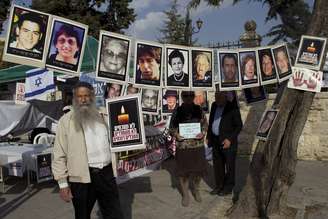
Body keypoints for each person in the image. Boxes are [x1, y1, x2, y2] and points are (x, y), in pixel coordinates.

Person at [52, 81, 123, 219]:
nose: (83, 99)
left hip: (106, 174)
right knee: (82, 215)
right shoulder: (66, 122)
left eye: (86, 95)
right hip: (81, 179)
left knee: (115, 214)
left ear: (92, 97)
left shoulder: (105, 115)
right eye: (79, 96)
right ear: (75, 98)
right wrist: (62, 184)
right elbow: (59, 154)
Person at [169, 91, 208, 207]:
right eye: (185, 96)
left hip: (197, 146)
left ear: (193, 97)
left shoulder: (199, 109)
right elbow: (171, 128)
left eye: (191, 95)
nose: (188, 98)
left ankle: (196, 189)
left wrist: (203, 132)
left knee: (198, 171)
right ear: (181, 97)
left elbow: (205, 124)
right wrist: (176, 135)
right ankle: (185, 194)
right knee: (183, 172)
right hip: (183, 146)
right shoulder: (177, 110)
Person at [207, 91, 243, 196]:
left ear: (225, 96)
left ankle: (228, 188)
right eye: (216, 96)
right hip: (215, 140)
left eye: (219, 97)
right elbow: (211, 122)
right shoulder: (214, 105)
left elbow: (239, 126)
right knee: (218, 165)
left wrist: (230, 139)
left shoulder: (232, 107)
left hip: (228, 142)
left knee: (230, 166)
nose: (217, 99)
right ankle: (219, 186)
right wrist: (209, 136)